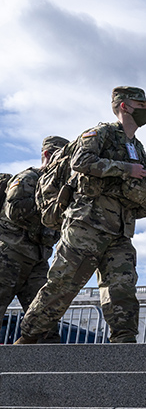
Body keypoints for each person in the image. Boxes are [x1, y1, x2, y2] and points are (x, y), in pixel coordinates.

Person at [15, 86, 146, 344]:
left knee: (123, 289)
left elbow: (135, 186)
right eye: (140, 104)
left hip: (120, 231)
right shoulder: (101, 133)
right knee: (63, 284)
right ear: (124, 106)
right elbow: (81, 161)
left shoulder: (137, 147)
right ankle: (29, 337)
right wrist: (125, 169)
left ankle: (124, 344)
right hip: (86, 225)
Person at [0, 136, 69, 340]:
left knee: (45, 320)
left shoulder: (58, 187)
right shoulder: (29, 178)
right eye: (59, 157)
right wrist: (49, 218)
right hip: (9, 256)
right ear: (47, 155)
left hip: (37, 261)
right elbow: (16, 211)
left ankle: (47, 367)